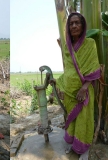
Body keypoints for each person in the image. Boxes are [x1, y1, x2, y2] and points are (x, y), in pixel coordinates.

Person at [51, 12, 100, 160]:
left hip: (83, 92)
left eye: (77, 22)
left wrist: (84, 87)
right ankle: (73, 145)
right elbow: (69, 70)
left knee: (84, 120)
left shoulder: (90, 44)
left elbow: (94, 68)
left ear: (83, 25)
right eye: (71, 23)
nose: (74, 26)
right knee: (72, 120)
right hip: (70, 92)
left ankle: (83, 149)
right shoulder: (67, 47)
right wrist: (58, 81)